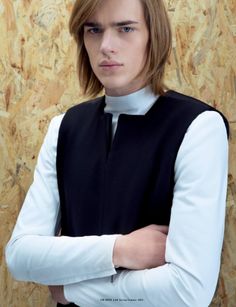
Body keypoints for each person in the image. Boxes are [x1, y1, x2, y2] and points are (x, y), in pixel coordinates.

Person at [5, 0, 229, 306]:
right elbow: (20, 257)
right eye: (93, 30)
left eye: (125, 28)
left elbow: (189, 290)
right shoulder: (65, 127)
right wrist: (121, 250)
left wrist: (71, 289)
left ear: (154, 35)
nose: (106, 46)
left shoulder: (198, 127)